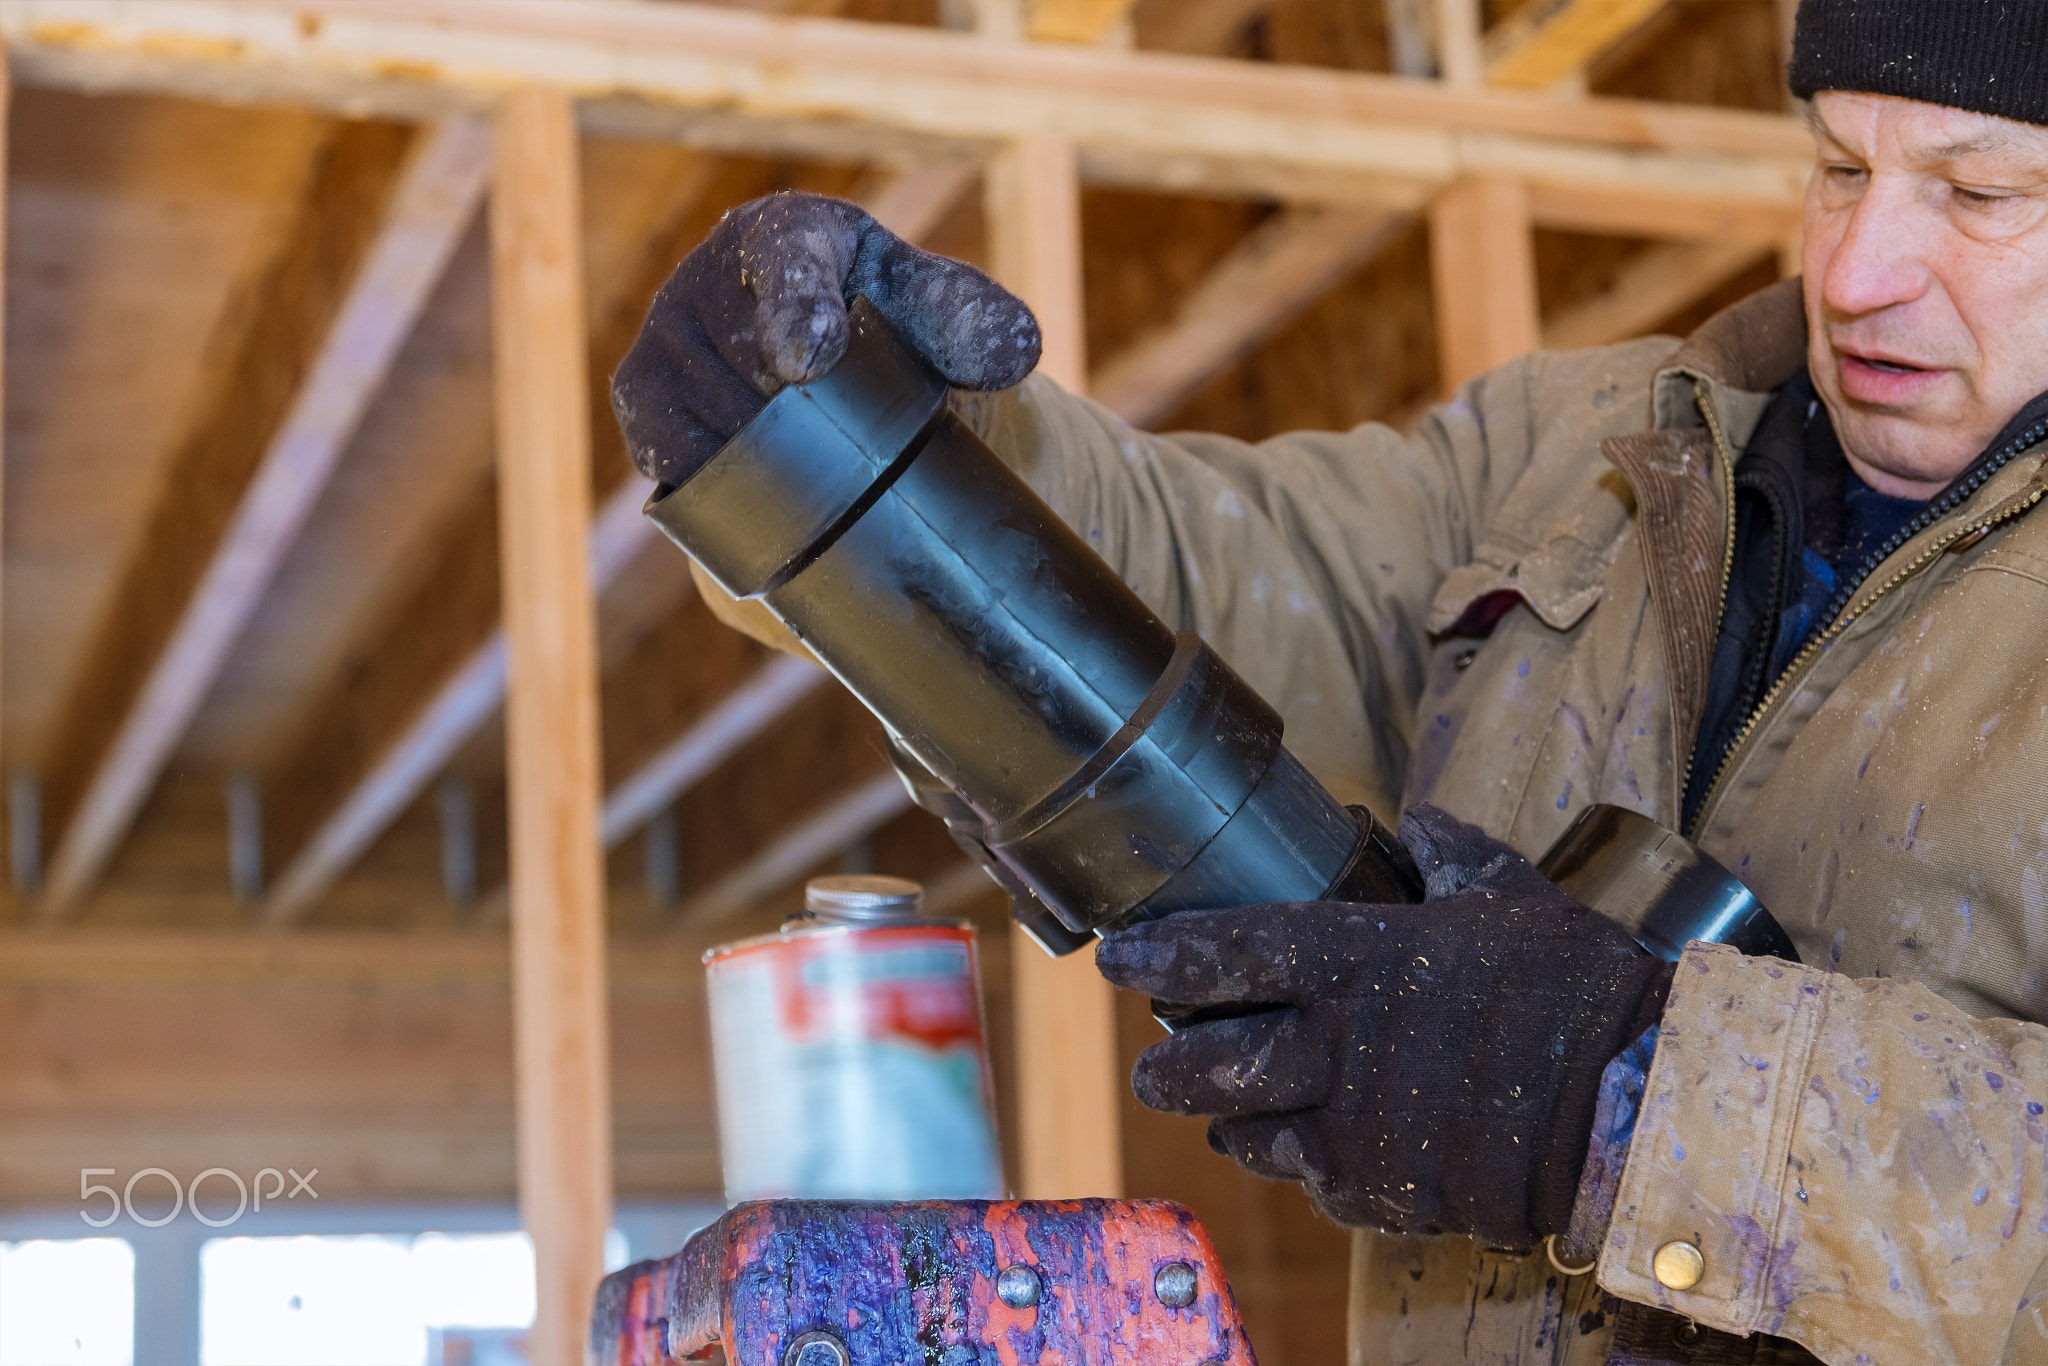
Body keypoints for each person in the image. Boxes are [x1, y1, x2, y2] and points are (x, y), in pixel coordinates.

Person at [609, 2, 2048, 1361]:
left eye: (1977, 195)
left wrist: (1634, 1092)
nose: (1855, 270)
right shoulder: (1584, 456)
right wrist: (847, 436)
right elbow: (1209, 572)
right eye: (1839, 165)